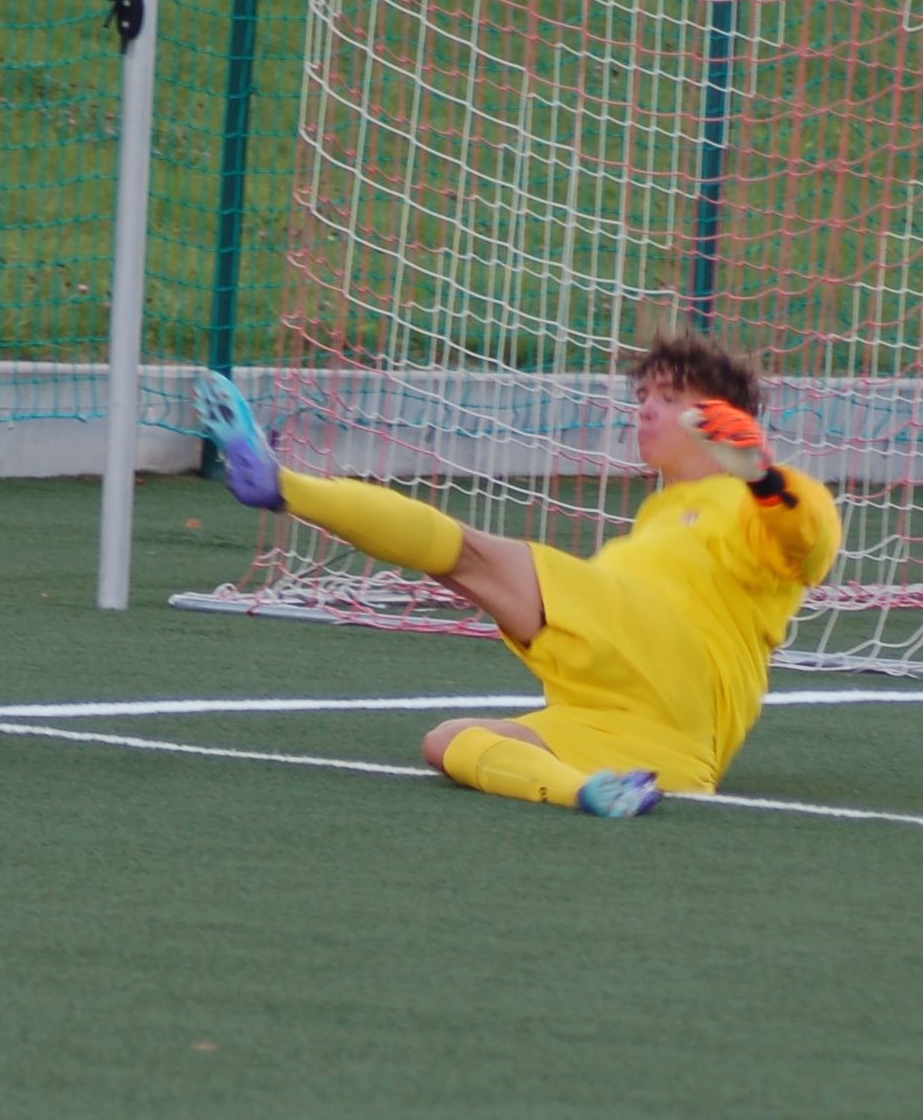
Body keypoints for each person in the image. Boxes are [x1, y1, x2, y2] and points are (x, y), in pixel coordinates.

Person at [195, 331, 842, 815]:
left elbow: (808, 541)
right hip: (665, 750)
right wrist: (582, 785)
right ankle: (587, 792)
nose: (646, 408)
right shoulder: (657, 521)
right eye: (643, 395)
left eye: (671, 398)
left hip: (674, 666)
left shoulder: (759, 501)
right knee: (449, 740)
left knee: (466, 556)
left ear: (725, 418)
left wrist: (760, 474)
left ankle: (282, 486)